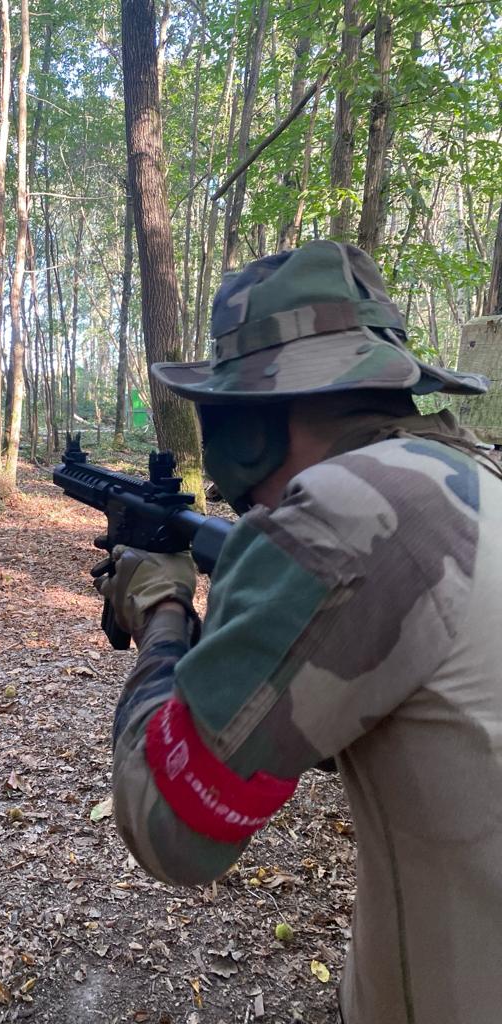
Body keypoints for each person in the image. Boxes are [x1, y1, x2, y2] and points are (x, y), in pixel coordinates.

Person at [95, 240, 502, 1024]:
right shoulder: (470, 476)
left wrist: (162, 610)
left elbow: (171, 828)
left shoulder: (354, 510)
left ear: (245, 426)